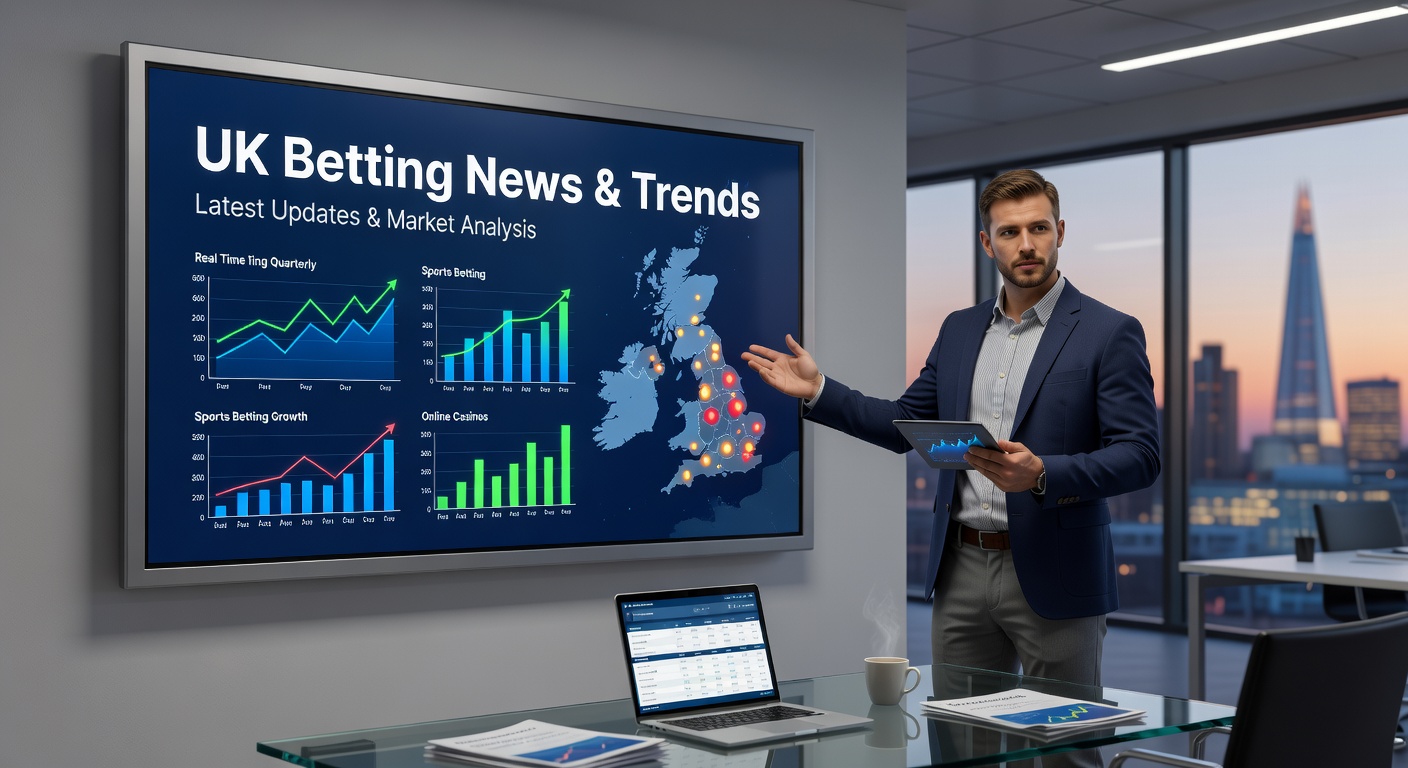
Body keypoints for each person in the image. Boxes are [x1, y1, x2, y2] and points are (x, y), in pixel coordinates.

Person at [743, 170, 1160, 764]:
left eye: (1039, 228)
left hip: (1056, 569)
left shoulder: (1108, 332)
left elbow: (1141, 456)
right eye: (1010, 232)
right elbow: (904, 424)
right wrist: (819, 391)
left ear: (1060, 232)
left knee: (1067, 753)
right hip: (961, 568)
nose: (1027, 245)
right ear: (987, 243)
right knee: (961, 748)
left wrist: (1043, 473)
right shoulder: (960, 330)